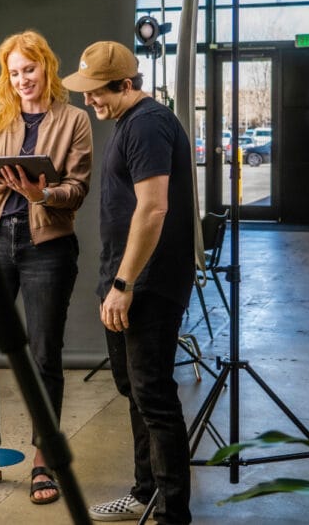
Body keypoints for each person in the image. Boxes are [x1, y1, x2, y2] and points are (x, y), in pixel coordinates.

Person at [0, 30, 93, 506]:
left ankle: (44, 460)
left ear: (46, 67)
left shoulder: (75, 120)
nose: (23, 79)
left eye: (30, 69)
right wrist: (4, 184)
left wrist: (41, 194)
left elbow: (78, 189)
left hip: (46, 247)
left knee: (45, 357)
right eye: (14, 72)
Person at [62, 40, 195, 524]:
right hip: (124, 281)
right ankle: (146, 493)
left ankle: (172, 515)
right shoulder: (126, 123)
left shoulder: (148, 124)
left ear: (126, 84)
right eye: (85, 92)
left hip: (147, 285)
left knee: (154, 397)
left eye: (96, 92)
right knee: (135, 393)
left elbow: (154, 207)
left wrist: (123, 283)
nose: (88, 101)